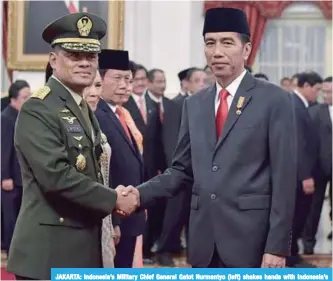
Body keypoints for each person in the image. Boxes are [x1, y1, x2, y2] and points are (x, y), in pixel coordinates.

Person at [118, 7, 296, 268]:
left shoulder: (273, 99)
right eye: (210, 43)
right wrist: (138, 195)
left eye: (227, 43)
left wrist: (277, 246)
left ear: (246, 50)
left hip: (253, 242)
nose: (217, 52)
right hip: (204, 242)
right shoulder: (195, 104)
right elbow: (181, 170)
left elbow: (284, 178)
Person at [7, 12, 137, 280]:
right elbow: (56, 176)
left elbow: (93, 170)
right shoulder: (40, 107)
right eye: (74, 55)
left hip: (82, 245)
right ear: (54, 60)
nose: (84, 63)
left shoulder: (81, 106)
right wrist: (114, 199)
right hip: (50, 252)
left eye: (91, 56)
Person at [95, 49, 146, 268]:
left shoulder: (122, 113)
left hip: (130, 213)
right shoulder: (96, 114)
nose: (125, 85)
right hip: (114, 213)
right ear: (100, 78)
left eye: (128, 79)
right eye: (117, 78)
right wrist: (113, 220)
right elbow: (102, 171)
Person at [288, 72, 322, 267]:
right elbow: (297, 145)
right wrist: (305, 175)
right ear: (306, 86)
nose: (317, 94)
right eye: (316, 89)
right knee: (297, 215)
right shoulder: (294, 106)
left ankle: (293, 253)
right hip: (298, 176)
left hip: (301, 174)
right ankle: (291, 255)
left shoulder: (301, 105)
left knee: (301, 214)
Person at [83, 70, 116, 267]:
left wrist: (110, 226)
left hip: (101, 215)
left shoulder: (94, 122)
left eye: (97, 85)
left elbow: (105, 177)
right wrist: (116, 199)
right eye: (88, 86)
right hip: (75, 222)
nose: (95, 93)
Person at [302, 76, 332, 253]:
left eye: (330, 92)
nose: (326, 95)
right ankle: (308, 245)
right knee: (313, 209)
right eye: (325, 91)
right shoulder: (314, 112)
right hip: (318, 169)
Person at [1, 80, 31, 254]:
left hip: (21, 177)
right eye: (24, 97)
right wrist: (4, 177)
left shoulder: (20, 116)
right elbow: (3, 150)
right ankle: (13, 252)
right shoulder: (6, 118)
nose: (27, 101)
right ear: (13, 98)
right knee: (11, 217)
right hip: (11, 179)